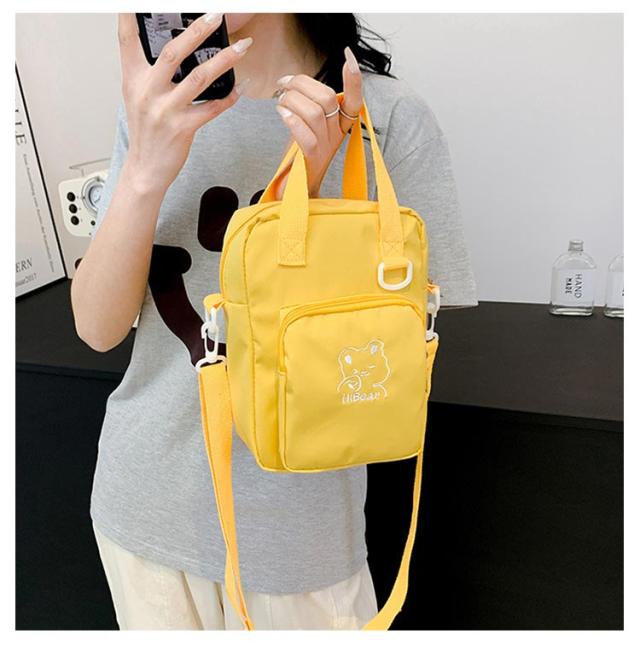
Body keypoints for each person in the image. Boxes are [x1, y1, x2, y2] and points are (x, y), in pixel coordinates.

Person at [71, 12, 478, 630]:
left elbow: (397, 349)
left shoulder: (386, 117)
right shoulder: (156, 108)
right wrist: (145, 168)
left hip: (297, 539)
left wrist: (309, 197)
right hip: (143, 510)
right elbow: (98, 329)